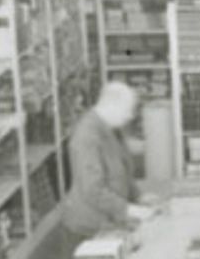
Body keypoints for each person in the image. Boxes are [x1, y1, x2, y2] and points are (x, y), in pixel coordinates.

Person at [64, 80, 149, 240]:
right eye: (128, 110)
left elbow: (123, 168)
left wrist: (137, 196)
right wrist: (128, 210)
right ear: (112, 105)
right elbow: (93, 190)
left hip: (111, 219)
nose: (130, 116)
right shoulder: (87, 136)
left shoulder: (112, 128)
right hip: (90, 227)